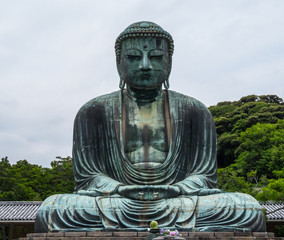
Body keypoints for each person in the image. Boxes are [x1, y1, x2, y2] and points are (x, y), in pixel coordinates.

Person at [35, 21, 266, 232]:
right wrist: (118, 189)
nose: (145, 65)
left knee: (247, 208)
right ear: (119, 63)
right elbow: (89, 177)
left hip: (179, 199)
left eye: (155, 56)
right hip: (117, 201)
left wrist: (177, 188)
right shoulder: (94, 111)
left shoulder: (195, 110)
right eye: (134, 57)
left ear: (170, 62)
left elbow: (203, 176)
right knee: (52, 210)